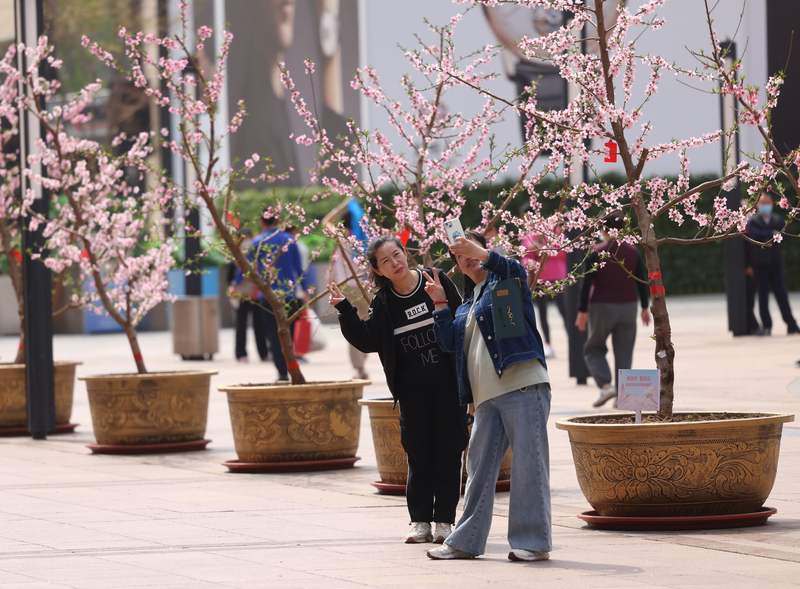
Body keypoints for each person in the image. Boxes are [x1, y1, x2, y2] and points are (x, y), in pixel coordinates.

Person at [329, 235, 466, 544]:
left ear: (405, 253)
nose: (395, 262)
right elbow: (368, 339)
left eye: (397, 254)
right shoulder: (385, 302)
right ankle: (419, 521)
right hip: (412, 394)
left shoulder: (435, 279)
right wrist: (345, 310)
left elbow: (461, 321)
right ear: (379, 270)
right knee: (418, 455)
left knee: (448, 452)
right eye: (386, 261)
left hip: (447, 389)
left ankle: (445, 520)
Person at [425, 231, 552, 563]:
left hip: (522, 383)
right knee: (477, 468)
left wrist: (481, 252)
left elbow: (513, 268)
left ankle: (533, 542)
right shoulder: (467, 304)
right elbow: (449, 344)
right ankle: (465, 541)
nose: (465, 259)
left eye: (471, 251)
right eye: (459, 256)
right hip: (485, 397)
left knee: (529, 465)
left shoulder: (505, 279)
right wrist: (440, 303)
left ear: (483, 251)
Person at [575, 220, 650, 408]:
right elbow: (641, 279)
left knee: (593, 348)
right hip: (629, 306)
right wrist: (644, 307)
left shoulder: (597, 252)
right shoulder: (633, 251)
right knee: (624, 352)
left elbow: (586, 285)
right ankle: (623, 398)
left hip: (602, 307)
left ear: (603, 229)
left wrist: (582, 311)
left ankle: (606, 385)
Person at [246, 212, 307, 381]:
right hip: (289, 293)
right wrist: (305, 289)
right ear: (278, 220)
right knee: (289, 334)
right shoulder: (289, 240)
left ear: (261, 221)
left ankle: (281, 371)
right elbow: (298, 268)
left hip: (267, 295)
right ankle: (291, 367)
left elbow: (249, 270)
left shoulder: (257, 242)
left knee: (273, 334)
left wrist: (252, 288)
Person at [746, 193, 799, 336]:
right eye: (762, 203)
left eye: (767, 203)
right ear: (758, 205)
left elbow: (783, 236)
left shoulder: (778, 219)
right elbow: (755, 235)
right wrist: (772, 233)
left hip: (776, 263)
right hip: (760, 264)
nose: (765, 206)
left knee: (782, 295)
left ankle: (791, 324)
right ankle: (767, 326)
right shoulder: (753, 221)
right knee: (763, 296)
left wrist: (768, 234)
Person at [522, 232, 567, 358]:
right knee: (542, 313)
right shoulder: (527, 237)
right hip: (540, 279)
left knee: (564, 310)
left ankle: (572, 339)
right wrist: (529, 262)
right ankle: (547, 344)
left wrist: (542, 250)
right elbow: (525, 256)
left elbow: (563, 253)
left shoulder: (553, 233)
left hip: (557, 277)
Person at [227, 229, 269, 362]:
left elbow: (230, 277)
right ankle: (253, 353)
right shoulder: (237, 255)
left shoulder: (244, 254)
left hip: (251, 293)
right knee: (249, 325)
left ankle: (250, 353)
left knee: (253, 324)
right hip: (248, 293)